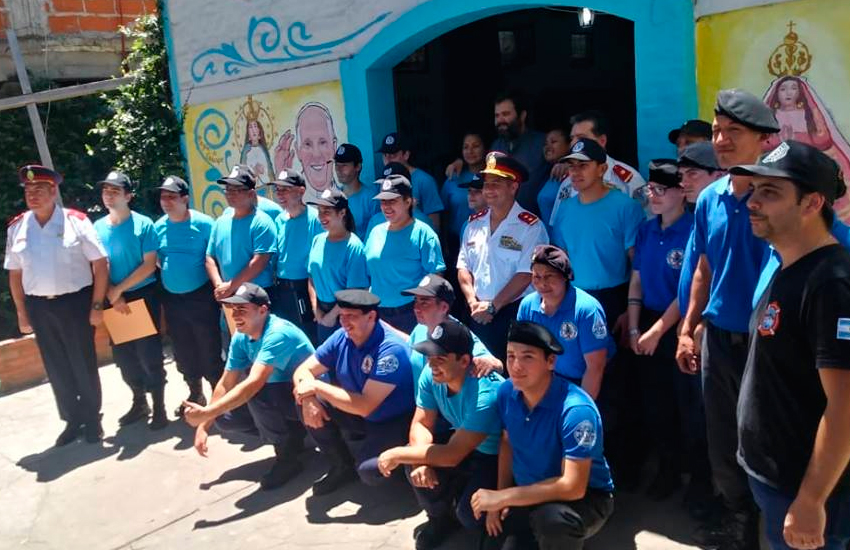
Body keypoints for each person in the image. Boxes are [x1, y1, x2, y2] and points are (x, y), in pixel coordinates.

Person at [733, 140, 850, 550]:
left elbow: (845, 406)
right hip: (776, 482)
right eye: (754, 189)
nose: (752, 202)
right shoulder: (787, 264)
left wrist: (811, 499)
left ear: (811, 203)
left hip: (808, 494)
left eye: (770, 192)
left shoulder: (832, 283)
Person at [676, 88, 780, 549]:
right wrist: (687, 329)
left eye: (733, 131)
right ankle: (740, 527)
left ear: (764, 140)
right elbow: (703, 267)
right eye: (717, 130)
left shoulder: (777, 196)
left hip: (769, 342)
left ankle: (775, 526)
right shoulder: (711, 198)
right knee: (723, 440)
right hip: (718, 338)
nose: (720, 139)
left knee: (767, 437)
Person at [470, 321, 614, 550]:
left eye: (528, 357)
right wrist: (499, 497)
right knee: (486, 533)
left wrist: (505, 497)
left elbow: (573, 486)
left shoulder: (576, 411)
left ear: (550, 361)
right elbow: (507, 444)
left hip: (584, 497)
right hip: (530, 490)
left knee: (553, 522)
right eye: (510, 356)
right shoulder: (507, 392)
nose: (516, 366)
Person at [377, 320, 504, 549]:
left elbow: (453, 454)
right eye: (429, 356)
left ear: (465, 361)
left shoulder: (485, 393)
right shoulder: (431, 374)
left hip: (496, 457)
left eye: (440, 358)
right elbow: (422, 423)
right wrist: (420, 462)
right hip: (464, 444)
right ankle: (440, 518)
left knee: (469, 512)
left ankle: (497, 531)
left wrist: (398, 453)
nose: (432, 364)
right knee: (414, 461)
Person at [5, 165, 108, 445]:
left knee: (82, 363)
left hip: (75, 303)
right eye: (28, 190)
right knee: (56, 366)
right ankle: (71, 419)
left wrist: (97, 305)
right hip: (40, 307)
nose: (32, 195)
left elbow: (100, 264)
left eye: (39, 189)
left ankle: (92, 418)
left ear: (54, 191)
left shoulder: (76, 221)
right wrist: (22, 312)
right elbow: (15, 274)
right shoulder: (18, 227)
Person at [183, 283, 313, 490]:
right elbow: (226, 382)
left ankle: (287, 458)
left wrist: (207, 411)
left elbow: (254, 382)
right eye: (233, 309)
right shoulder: (241, 336)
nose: (235, 315)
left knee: (255, 392)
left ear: (263, 310)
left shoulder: (278, 333)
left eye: (242, 309)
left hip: (312, 400)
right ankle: (291, 436)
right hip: (283, 397)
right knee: (224, 418)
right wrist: (204, 423)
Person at [291, 289, 415, 495]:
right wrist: (309, 398)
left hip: (392, 420)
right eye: (342, 316)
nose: (345, 322)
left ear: (372, 316)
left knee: (369, 471)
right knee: (305, 400)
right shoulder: (342, 336)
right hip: (358, 410)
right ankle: (341, 465)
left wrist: (316, 386)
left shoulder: (390, 349)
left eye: (352, 317)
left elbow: (365, 405)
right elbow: (303, 370)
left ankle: (405, 463)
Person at [627, 161, 698, 501]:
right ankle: (668, 468)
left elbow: (688, 292)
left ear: (681, 192)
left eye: (661, 189)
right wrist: (634, 326)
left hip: (681, 323)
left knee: (687, 403)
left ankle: (697, 478)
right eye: (650, 189)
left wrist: (657, 331)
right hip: (647, 322)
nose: (652, 195)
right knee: (655, 403)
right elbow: (637, 280)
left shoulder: (694, 231)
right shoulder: (646, 230)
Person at [457, 152, 548, 365]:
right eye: (486, 184)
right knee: (480, 372)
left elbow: (526, 274)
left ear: (513, 187)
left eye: (496, 183)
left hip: (515, 313)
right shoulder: (473, 223)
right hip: (477, 312)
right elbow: (463, 267)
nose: (488, 190)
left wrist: (494, 306)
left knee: (517, 372)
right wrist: (472, 302)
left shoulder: (530, 226)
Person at [93, 170, 168, 430]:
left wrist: (119, 291)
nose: (109, 195)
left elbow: (149, 266)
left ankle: (159, 406)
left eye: (115, 191)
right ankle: (139, 402)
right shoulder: (97, 227)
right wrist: (112, 294)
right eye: (106, 190)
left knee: (149, 355)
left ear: (128, 196)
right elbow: (97, 266)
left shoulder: (142, 225)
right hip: (113, 297)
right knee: (125, 358)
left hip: (141, 296)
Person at [154, 176, 224, 417]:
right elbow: (159, 261)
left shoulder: (205, 224)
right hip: (173, 300)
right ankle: (195, 392)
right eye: (163, 196)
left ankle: (219, 395)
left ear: (185, 199)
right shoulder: (158, 226)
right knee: (183, 350)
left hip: (201, 298)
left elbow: (214, 258)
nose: (166, 201)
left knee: (209, 347)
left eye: (172, 196)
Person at [517, 245, 613, 400]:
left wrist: (581, 410)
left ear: (565, 276)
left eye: (549, 276)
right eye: (536, 277)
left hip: (589, 381)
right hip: (549, 379)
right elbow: (522, 353)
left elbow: (595, 368)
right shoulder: (527, 306)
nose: (542, 283)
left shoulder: (586, 310)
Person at [364, 174, 445, 333]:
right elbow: (367, 272)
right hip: (378, 313)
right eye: (383, 201)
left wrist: (424, 311)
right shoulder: (375, 231)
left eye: (392, 201)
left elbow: (436, 277)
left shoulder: (424, 233)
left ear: (408, 201)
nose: (386, 206)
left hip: (411, 313)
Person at [446, 92, 547, 215]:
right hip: (499, 223)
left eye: (506, 114)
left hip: (533, 224)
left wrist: (563, 165)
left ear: (522, 115)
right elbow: (480, 164)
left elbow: (566, 160)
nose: (500, 120)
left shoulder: (543, 143)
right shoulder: (496, 146)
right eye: (497, 116)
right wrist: (460, 162)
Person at [402, 274, 502, 385]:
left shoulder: (458, 335)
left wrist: (493, 362)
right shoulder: (419, 329)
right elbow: (408, 345)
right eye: (416, 301)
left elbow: (495, 364)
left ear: (444, 307)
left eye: (424, 302)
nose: (416, 308)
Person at [548, 110, 646, 223]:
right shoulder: (568, 181)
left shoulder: (629, 180)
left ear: (602, 141)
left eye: (581, 138)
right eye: (572, 138)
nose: (574, 143)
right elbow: (558, 224)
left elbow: (645, 225)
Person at [306, 187, 370, 343]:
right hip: (322, 314)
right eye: (319, 211)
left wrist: (331, 316)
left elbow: (355, 291)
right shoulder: (318, 240)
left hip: (345, 315)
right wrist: (317, 311)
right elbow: (311, 278)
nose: (321, 216)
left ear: (342, 213)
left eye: (327, 211)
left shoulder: (353, 246)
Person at [205, 165, 277, 301]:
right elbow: (210, 257)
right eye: (228, 189)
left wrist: (230, 286)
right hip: (227, 293)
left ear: (251, 193)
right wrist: (220, 286)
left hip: (255, 294)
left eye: (237, 190)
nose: (230, 194)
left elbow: (259, 262)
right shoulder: (221, 221)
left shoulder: (261, 222)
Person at [269, 170, 324, 344]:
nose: (280, 194)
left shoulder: (315, 219)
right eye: (278, 190)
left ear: (301, 191)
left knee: (308, 337)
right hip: (281, 288)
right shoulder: (279, 220)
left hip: (303, 288)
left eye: (285, 189)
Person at [378, 132, 444, 230]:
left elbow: (434, 224)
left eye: (393, 155)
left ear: (406, 155)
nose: (388, 159)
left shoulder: (424, 181)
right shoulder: (382, 182)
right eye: (385, 155)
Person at [441, 132, 486, 245]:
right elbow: (444, 215)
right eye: (466, 147)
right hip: (456, 240)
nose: (470, 151)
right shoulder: (453, 178)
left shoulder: (493, 178)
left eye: (476, 146)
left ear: (485, 148)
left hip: (488, 235)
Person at [334, 143, 378, 240]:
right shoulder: (333, 197)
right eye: (336, 165)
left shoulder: (371, 198)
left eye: (344, 165)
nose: (338, 170)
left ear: (357, 166)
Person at [536, 127, 572, 234]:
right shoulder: (549, 173)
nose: (548, 147)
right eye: (545, 143)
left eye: (554, 142)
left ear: (569, 145)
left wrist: (569, 166)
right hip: (550, 242)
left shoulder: (572, 174)